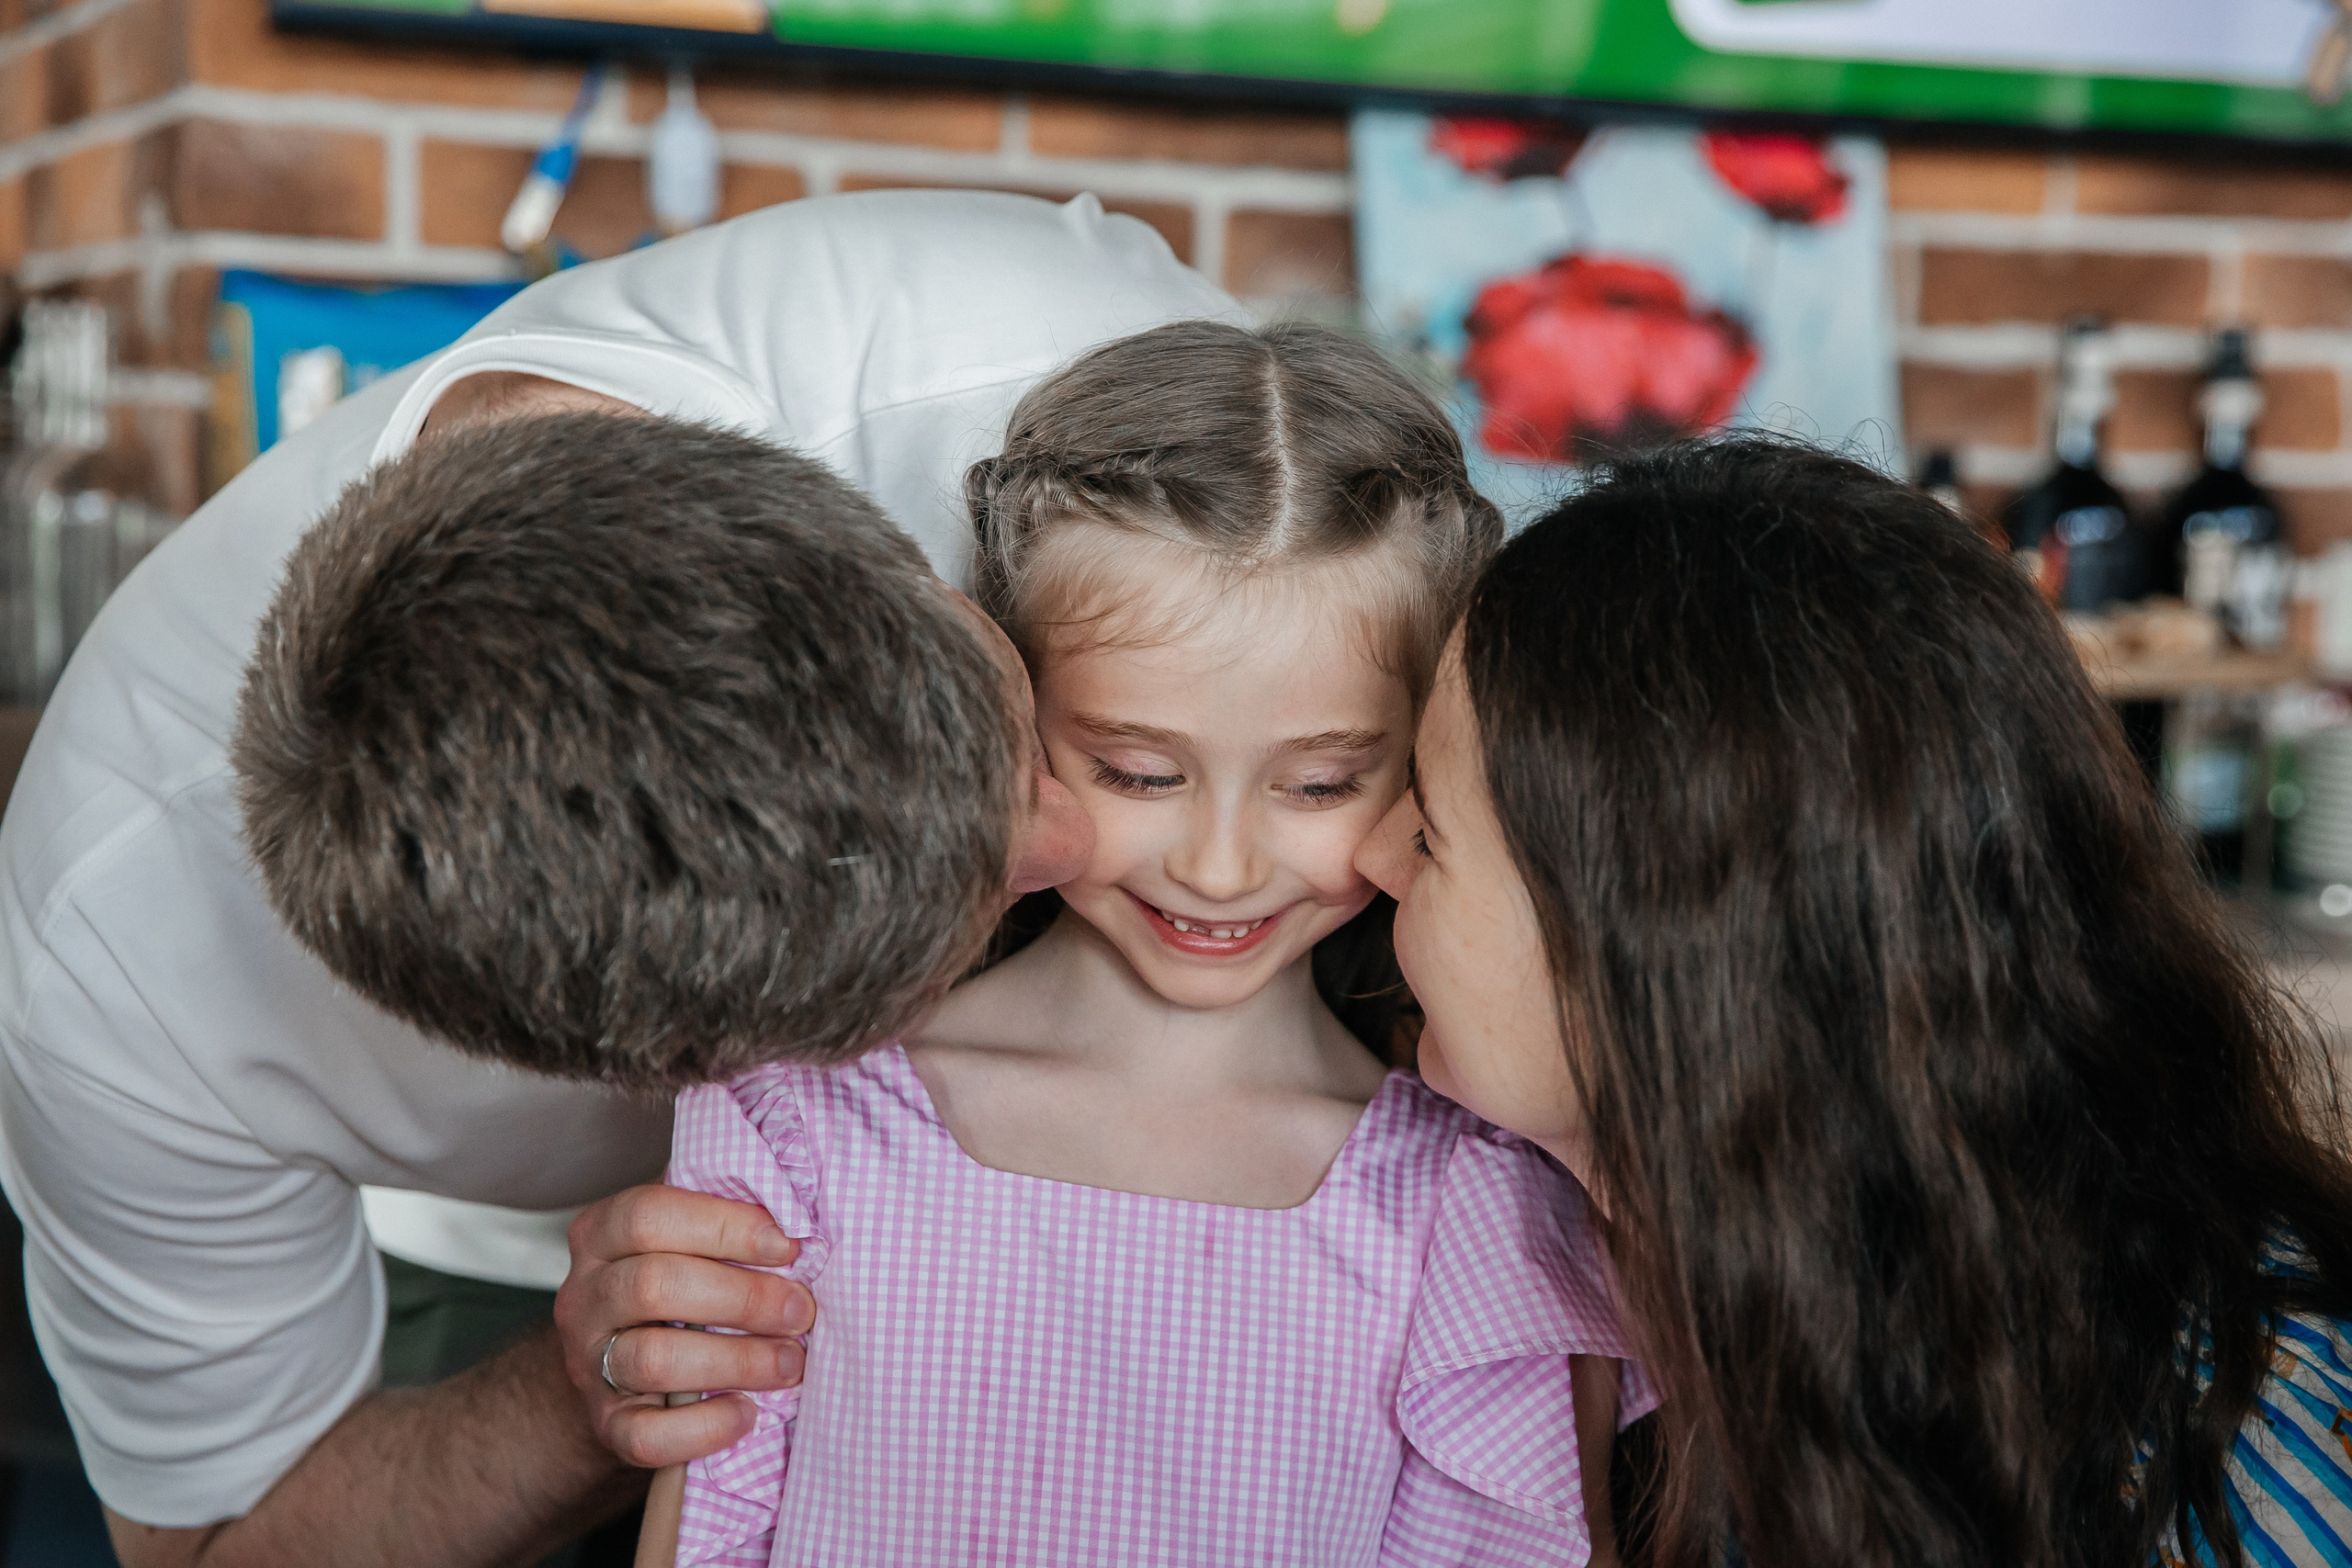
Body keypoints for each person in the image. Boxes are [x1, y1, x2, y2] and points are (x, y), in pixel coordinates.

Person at [0, 188, 1234, 1566]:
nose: (1088, 846)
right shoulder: (117, 991)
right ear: (655, 1058)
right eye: (965, 921)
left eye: (1019, 737)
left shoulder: (1035, 361)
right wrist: (575, 1396)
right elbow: (218, 1541)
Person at [629, 320, 1650, 1567]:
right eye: (1137, 769)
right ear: (1009, 708)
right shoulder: (796, 1112)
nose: (1219, 865)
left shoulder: (1471, 1204)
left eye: (1321, 783)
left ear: (1428, 762)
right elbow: (707, 1534)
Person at [1355, 435, 2352, 1566]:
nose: (1373, 853)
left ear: (1659, 953)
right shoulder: (1699, 1290)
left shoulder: (2229, 1470)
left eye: (1431, 830)